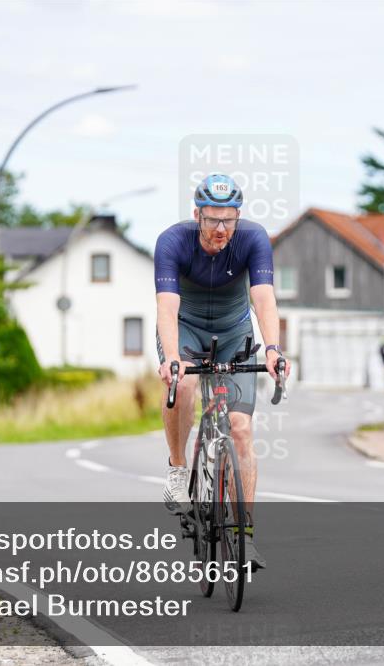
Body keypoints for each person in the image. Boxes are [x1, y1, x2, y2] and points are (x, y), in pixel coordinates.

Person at [154, 173, 291, 571]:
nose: (220, 229)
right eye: (212, 219)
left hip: (235, 333)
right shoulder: (172, 241)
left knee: (241, 429)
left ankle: (244, 536)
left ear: (238, 217)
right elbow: (166, 307)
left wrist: (272, 348)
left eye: (228, 219)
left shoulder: (253, 239)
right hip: (187, 328)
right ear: (197, 214)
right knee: (187, 381)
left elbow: (263, 298)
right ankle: (178, 468)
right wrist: (172, 360)